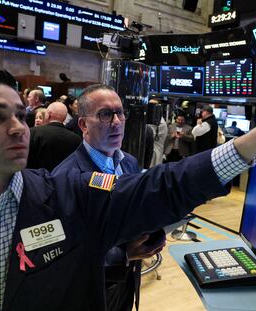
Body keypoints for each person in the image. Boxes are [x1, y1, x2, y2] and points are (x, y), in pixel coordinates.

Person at [0, 69, 256, 310]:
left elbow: (163, 187)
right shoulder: (69, 173)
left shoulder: (68, 191)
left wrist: (253, 141)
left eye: (21, 116)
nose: (17, 128)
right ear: (83, 124)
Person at [53, 84, 165, 311]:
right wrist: (123, 255)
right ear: (83, 124)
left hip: (127, 282)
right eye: (105, 114)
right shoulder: (66, 176)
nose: (116, 122)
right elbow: (66, 250)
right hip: (89, 290)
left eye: (120, 113)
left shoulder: (129, 162)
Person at [27, 102, 82, 171]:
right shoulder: (76, 139)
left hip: (35, 178)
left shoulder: (32, 133)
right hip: (64, 180)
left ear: (49, 114)